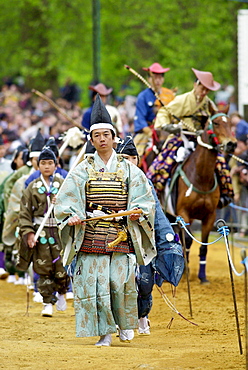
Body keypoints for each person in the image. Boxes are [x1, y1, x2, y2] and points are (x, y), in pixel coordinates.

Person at [55, 94, 156, 346]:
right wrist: (72, 216)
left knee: (118, 282)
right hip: (91, 235)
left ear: (114, 137)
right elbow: (65, 200)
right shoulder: (81, 170)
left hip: (119, 234)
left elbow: (144, 199)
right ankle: (104, 333)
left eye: (106, 135)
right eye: (96, 136)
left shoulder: (129, 169)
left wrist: (137, 211)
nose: (102, 140)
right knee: (96, 286)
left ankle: (123, 325)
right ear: (91, 139)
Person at [116, 136, 184, 335]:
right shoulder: (109, 181)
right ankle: (122, 320)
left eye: (131, 158)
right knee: (119, 282)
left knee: (145, 283)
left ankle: (142, 315)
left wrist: (168, 239)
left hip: (143, 241)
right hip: (116, 240)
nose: (127, 162)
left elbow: (157, 214)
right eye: (122, 158)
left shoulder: (146, 183)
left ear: (137, 160)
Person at [147, 67, 234, 209]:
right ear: (196, 85)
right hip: (181, 137)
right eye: (202, 88)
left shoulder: (208, 104)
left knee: (221, 163)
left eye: (207, 90)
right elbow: (164, 111)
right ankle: (153, 193)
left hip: (202, 141)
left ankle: (226, 194)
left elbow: (216, 120)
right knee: (163, 163)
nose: (204, 92)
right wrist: (167, 126)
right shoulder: (183, 99)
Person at [18, 147, 69, 316]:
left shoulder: (63, 185)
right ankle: (47, 301)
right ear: (38, 165)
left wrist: (60, 201)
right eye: (43, 163)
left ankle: (62, 292)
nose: (47, 166)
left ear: (56, 165)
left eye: (50, 163)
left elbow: (73, 207)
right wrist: (29, 233)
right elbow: (25, 213)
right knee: (42, 267)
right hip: (41, 232)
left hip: (60, 231)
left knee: (61, 266)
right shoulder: (32, 187)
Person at [133, 62, 175, 160]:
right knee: (135, 156)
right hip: (149, 131)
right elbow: (140, 120)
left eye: (160, 77)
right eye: (155, 77)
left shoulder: (169, 94)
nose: (158, 80)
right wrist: (151, 133)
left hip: (168, 130)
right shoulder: (142, 96)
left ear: (163, 79)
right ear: (149, 79)